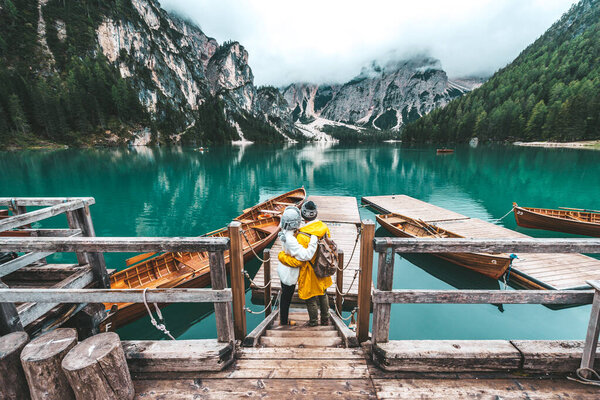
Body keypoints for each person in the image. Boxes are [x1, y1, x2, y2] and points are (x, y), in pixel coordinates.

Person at [279, 201, 333, 326]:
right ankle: (325, 318)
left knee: (310, 297)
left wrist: (282, 256)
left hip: (310, 270)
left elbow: (301, 258)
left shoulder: (302, 235)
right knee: (323, 292)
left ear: (303, 216)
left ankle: (313, 321)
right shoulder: (323, 228)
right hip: (323, 265)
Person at [276, 206, 318, 326]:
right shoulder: (291, 239)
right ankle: (284, 322)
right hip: (290, 272)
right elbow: (306, 255)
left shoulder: (284, 232)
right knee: (286, 298)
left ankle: (283, 319)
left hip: (283, 268)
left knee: (284, 295)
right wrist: (313, 238)